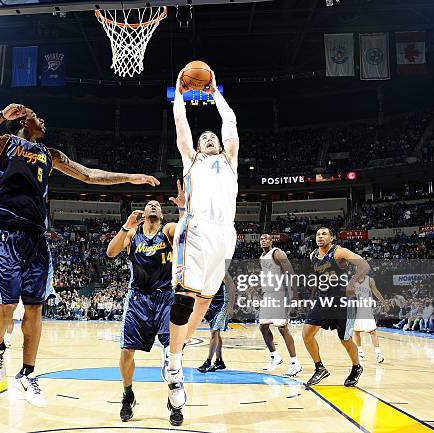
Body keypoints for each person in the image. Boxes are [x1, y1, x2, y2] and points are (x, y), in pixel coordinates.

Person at [0, 103, 159, 407]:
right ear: (22, 120)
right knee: (6, 303)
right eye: (37, 116)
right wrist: (0, 117)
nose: (44, 120)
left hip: (35, 236)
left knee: (35, 308)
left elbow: (90, 175)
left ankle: (27, 374)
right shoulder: (4, 144)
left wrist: (130, 177)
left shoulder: (50, 155)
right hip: (4, 231)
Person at [166, 67, 238, 422]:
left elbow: (231, 122)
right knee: (184, 297)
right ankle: (176, 365)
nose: (209, 137)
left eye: (213, 136)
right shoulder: (191, 159)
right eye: (204, 136)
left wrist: (214, 93)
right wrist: (180, 92)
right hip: (195, 229)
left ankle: (173, 354)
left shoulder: (229, 161)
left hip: (225, 234)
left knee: (207, 301)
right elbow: (181, 125)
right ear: (197, 145)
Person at [106, 199, 179, 424]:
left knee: (172, 354)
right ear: (144, 212)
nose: (154, 205)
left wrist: (185, 210)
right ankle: (128, 396)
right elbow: (111, 252)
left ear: (162, 215)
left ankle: (175, 399)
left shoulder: (167, 230)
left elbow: (183, 232)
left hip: (165, 297)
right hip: (138, 298)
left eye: (157, 204)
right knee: (127, 351)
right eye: (149, 204)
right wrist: (126, 226)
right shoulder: (133, 234)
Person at [303, 227, 369, 387]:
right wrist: (313, 297)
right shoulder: (313, 255)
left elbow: (364, 266)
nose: (320, 236)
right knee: (306, 334)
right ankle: (319, 368)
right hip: (323, 299)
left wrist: (353, 282)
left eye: (324, 234)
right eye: (318, 234)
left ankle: (356, 367)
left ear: (332, 238)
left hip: (343, 301)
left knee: (345, 339)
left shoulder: (339, 252)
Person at [258, 234, 302, 377]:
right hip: (268, 294)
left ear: (271, 241)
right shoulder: (261, 257)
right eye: (261, 239)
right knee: (263, 326)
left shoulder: (277, 253)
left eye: (266, 238)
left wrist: (295, 294)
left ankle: (295, 363)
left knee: (282, 328)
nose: (263, 240)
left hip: (280, 294)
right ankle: (275, 356)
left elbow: (291, 273)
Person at [197, 279, 233, 373]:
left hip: (222, 304)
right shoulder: (207, 271)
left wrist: (230, 305)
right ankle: (219, 361)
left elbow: (232, 286)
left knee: (214, 331)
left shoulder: (221, 269)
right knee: (216, 333)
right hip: (212, 303)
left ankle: (208, 362)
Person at [352, 274, 385, 364]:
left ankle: (378, 354)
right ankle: (360, 352)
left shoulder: (370, 280)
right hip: (356, 308)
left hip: (366, 308)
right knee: (356, 331)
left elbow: (376, 292)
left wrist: (383, 302)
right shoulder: (353, 280)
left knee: (372, 331)